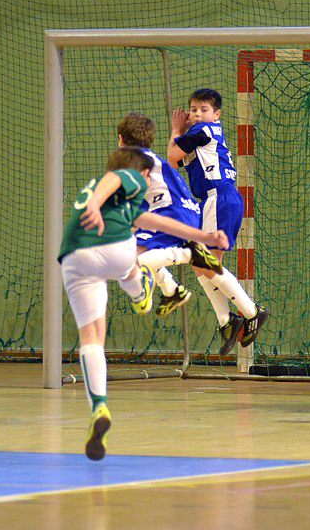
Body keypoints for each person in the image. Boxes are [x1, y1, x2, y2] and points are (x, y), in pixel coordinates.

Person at [59, 147, 229, 460]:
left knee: (91, 339)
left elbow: (155, 221)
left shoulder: (113, 199)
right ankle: (141, 292)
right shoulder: (130, 175)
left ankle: (99, 407)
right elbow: (115, 179)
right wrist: (97, 204)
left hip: (74, 256)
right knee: (130, 262)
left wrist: (200, 237)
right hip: (112, 249)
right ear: (141, 172)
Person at [167, 88, 268, 355]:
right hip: (214, 201)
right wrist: (179, 134)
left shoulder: (203, 130)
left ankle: (251, 312)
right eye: (193, 110)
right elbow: (174, 162)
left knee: (206, 264)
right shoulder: (198, 138)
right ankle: (226, 321)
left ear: (216, 114)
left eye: (204, 110)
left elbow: (172, 155)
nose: (197, 114)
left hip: (219, 198)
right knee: (200, 266)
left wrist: (176, 129)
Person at [116, 112, 224, 316]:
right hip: (185, 212)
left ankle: (189, 253)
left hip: (172, 214)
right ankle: (172, 291)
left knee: (133, 258)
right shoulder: (151, 158)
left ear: (120, 139)